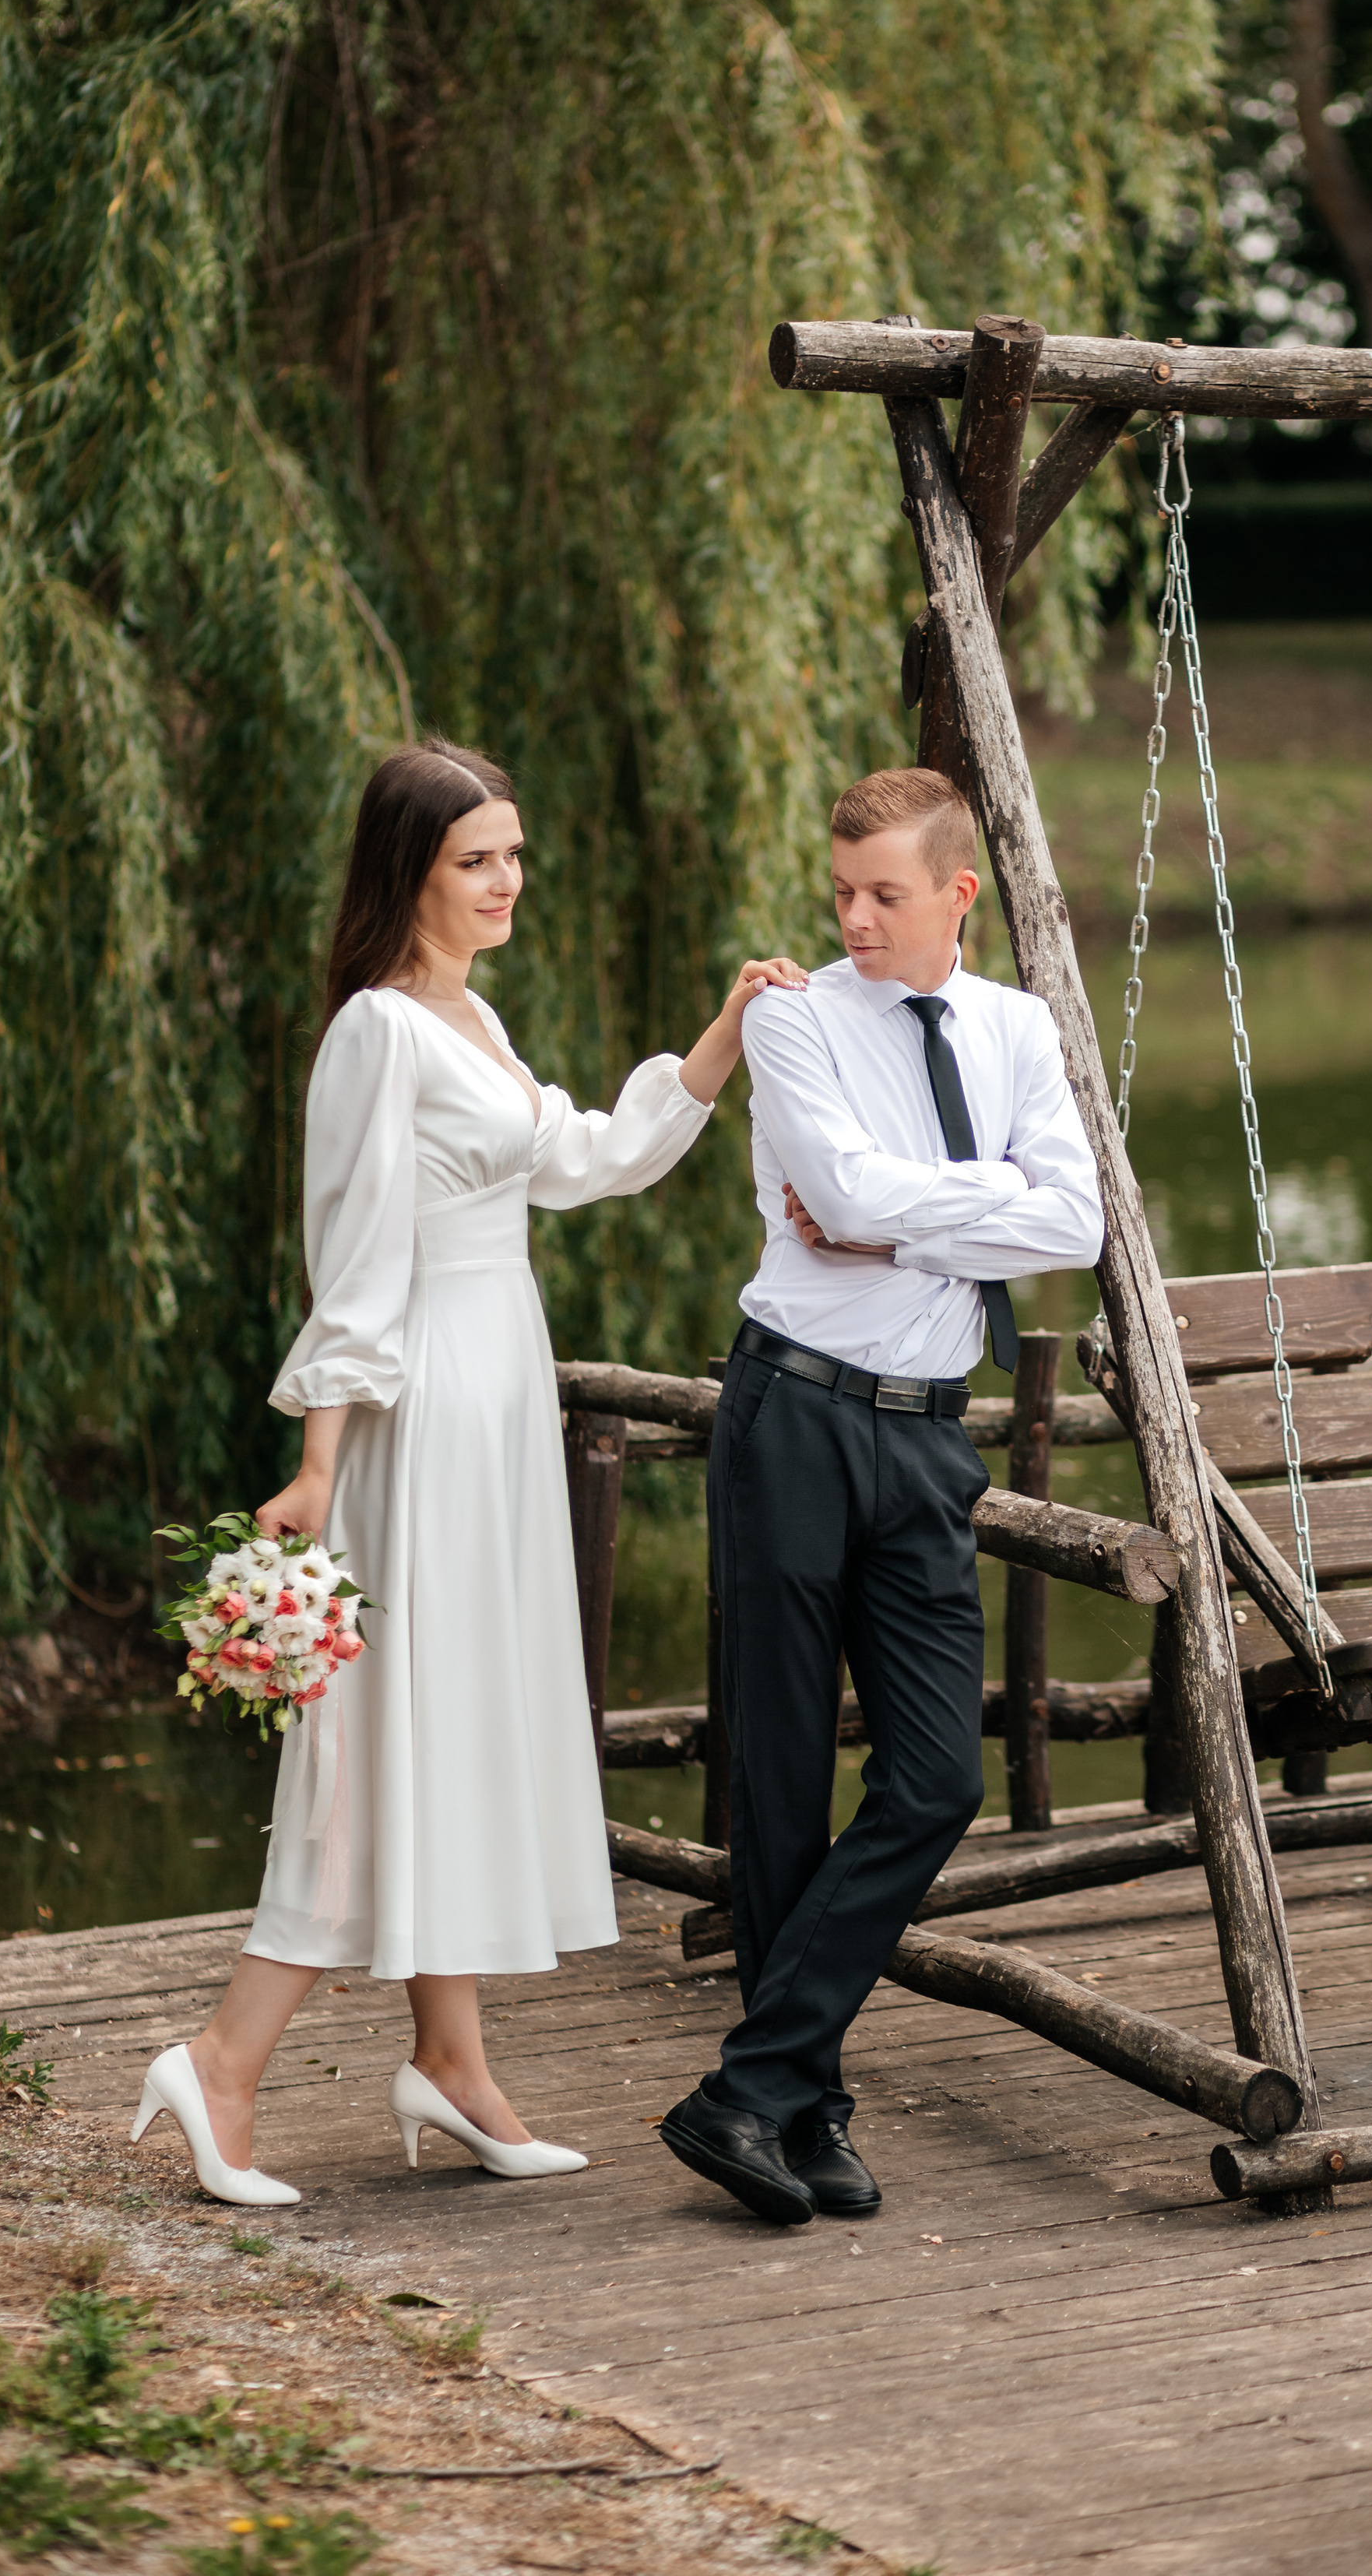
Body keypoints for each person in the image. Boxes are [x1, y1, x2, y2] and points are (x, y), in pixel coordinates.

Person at [133, 736, 804, 2205]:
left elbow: (575, 1159)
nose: (508, 881)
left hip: (497, 1389)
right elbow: (355, 1256)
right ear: (410, 872)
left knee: (453, 1722)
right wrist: (317, 1467)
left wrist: (721, 1040)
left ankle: (453, 2065)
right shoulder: (378, 1031)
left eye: (512, 853)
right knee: (382, 1737)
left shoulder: (473, 1019)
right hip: (420, 1406)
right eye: (475, 859)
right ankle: (224, 2065)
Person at [659, 766, 1104, 2225]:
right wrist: (963, 1208)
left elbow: (1077, 1219)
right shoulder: (793, 1018)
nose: (852, 917)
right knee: (782, 1779)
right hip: (790, 1416)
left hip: (925, 1440)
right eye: (841, 890)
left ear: (956, 895)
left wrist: (903, 1221)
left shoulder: (1022, 1027)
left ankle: (756, 2084)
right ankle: (810, 2105)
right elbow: (839, 1205)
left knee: (937, 1777)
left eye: (884, 894)